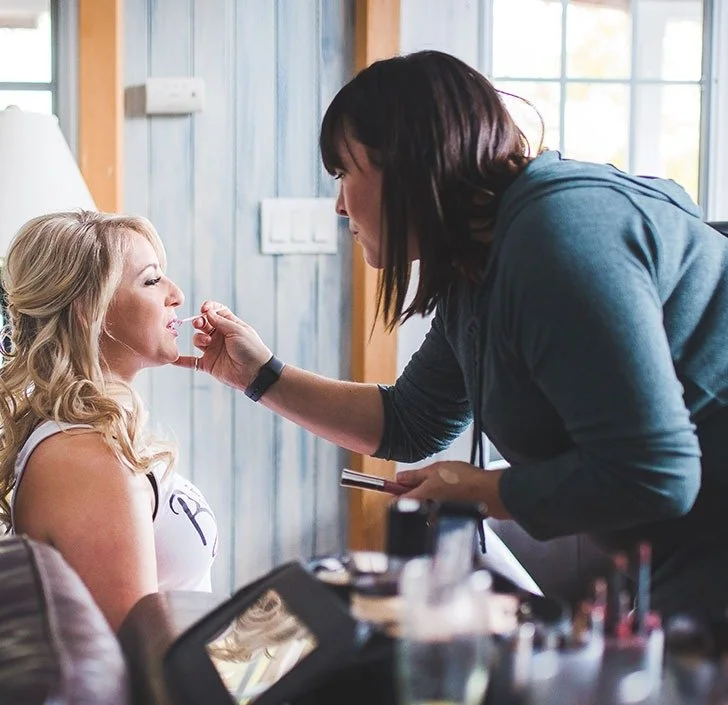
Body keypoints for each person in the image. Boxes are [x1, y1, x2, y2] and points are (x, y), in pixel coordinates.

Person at [179, 50, 728, 619]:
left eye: (343, 173)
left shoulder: (557, 239)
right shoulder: (481, 264)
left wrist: (481, 491)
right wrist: (258, 373)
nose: (340, 205)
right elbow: (412, 422)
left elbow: (657, 474)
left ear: (408, 161)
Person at [0, 210, 218, 631]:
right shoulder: (83, 459)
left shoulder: (92, 437)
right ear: (92, 310)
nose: (176, 294)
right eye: (151, 280)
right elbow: (136, 653)